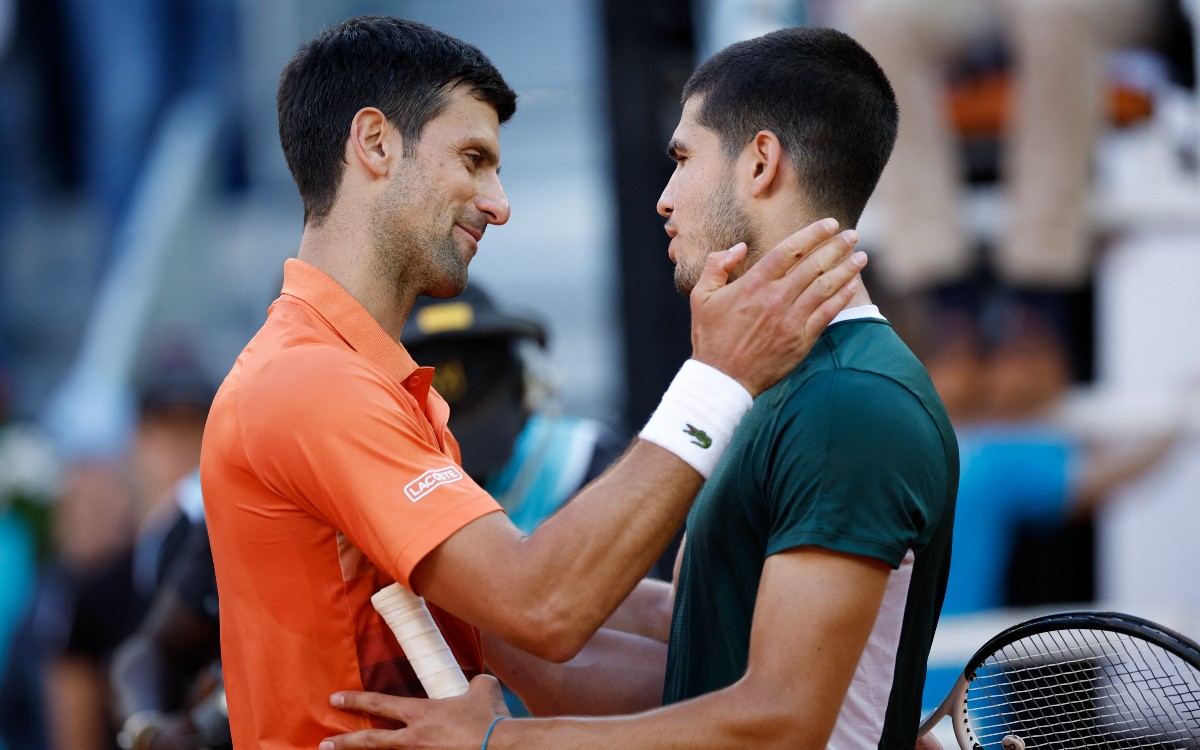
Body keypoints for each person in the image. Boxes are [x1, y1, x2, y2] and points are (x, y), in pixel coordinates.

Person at [198, 15, 868, 750]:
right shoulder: (312, 382)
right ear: (376, 144)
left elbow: (560, 653)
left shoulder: (365, 381)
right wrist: (717, 378)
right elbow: (543, 606)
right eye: (473, 158)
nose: (500, 203)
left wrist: (848, 708)